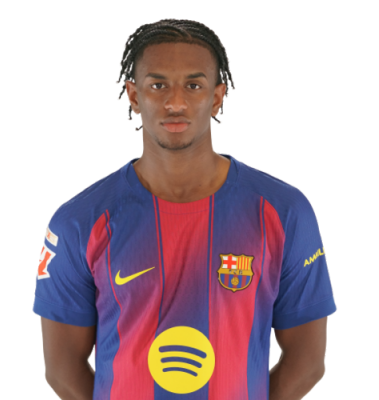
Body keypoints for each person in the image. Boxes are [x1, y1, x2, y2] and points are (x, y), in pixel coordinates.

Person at [32, 18, 338, 400]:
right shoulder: (77, 221)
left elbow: (308, 362)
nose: (175, 103)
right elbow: (62, 371)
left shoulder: (285, 211)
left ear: (217, 96)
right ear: (133, 95)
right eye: (158, 85)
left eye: (193, 85)